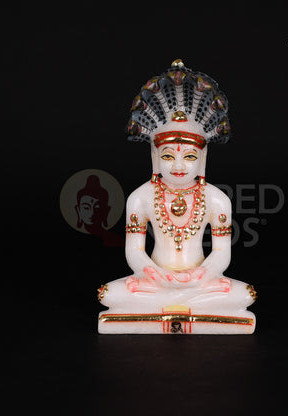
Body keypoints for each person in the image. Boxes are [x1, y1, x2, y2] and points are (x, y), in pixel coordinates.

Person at [97, 60, 257, 333]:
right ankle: (190, 311)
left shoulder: (217, 199)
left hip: (201, 281)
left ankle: (162, 311)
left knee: (245, 294)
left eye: (190, 157)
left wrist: (198, 276)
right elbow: (135, 251)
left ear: (202, 159)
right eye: (168, 156)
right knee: (108, 294)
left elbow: (221, 254)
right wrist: (158, 275)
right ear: (155, 157)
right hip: (153, 279)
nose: (179, 166)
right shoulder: (140, 197)